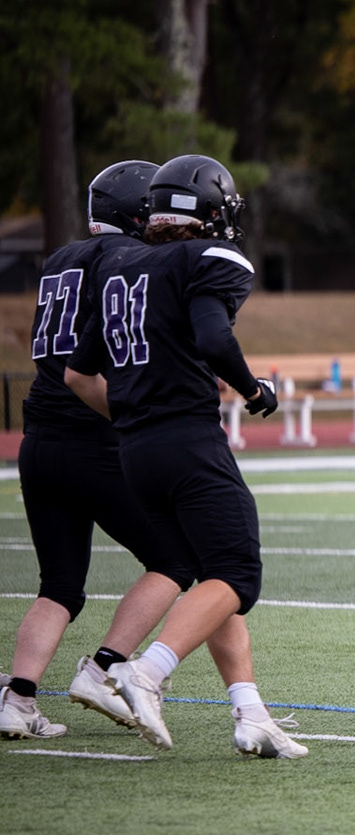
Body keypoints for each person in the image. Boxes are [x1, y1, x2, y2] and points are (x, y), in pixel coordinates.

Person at [63, 153, 306, 758]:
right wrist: (254, 390)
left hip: (136, 451)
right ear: (209, 211)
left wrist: (135, 418)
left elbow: (79, 374)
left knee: (212, 573)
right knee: (238, 575)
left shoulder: (120, 265)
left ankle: (251, 713)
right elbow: (213, 337)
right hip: (187, 439)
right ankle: (146, 672)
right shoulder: (207, 257)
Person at [2, 162, 193, 740]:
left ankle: (18, 699)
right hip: (94, 435)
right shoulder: (127, 258)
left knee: (59, 585)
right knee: (177, 559)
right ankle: (105, 669)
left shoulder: (60, 258)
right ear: (138, 213)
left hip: (39, 438)